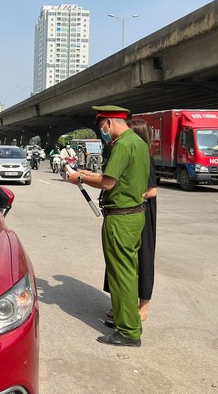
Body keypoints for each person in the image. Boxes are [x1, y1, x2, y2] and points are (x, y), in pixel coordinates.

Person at [67, 105, 150, 347]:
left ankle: (129, 332)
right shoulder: (139, 143)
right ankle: (126, 319)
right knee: (129, 271)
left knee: (120, 273)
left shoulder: (122, 145)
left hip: (120, 218)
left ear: (109, 123)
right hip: (135, 215)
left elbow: (108, 182)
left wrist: (79, 178)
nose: (103, 131)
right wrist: (86, 173)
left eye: (102, 126)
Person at [104, 119, 158, 323]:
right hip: (128, 212)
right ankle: (121, 306)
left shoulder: (141, 155)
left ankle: (141, 309)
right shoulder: (128, 152)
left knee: (140, 260)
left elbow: (152, 190)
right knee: (120, 263)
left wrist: (129, 196)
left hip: (137, 212)